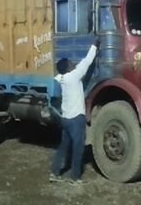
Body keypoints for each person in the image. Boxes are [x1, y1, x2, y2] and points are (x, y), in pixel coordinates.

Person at [49, 39, 100, 185]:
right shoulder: (74, 76)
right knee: (78, 150)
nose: (73, 64)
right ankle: (74, 178)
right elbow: (86, 62)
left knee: (63, 147)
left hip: (65, 119)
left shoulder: (61, 78)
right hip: (76, 119)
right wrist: (94, 45)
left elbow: (61, 74)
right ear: (68, 68)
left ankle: (54, 172)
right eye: (71, 63)